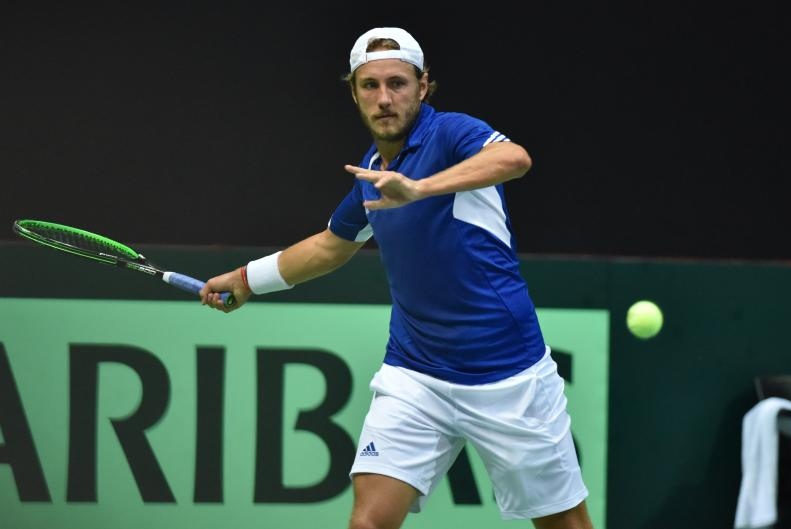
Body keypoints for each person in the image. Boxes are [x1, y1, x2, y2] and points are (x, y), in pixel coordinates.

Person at [199, 26, 593, 529]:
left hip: (508, 375)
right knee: (368, 524)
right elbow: (329, 246)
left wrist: (420, 188)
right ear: (354, 93)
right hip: (416, 374)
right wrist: (245, 280)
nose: (384, 98)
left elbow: (514, 159)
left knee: (565, 526)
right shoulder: (372, 171)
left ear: (423, 87)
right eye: (370, 86)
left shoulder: (451, 134)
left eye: (398, 83)